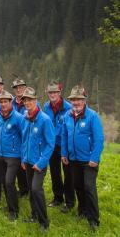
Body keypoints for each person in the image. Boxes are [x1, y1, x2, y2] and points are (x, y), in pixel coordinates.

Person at [61, 85, 104, 231]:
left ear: (84, 100)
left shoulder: (92, 116)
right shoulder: (67, 115)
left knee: (89, 188)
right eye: (73, 99)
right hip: (73, 159)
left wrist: (95, 157)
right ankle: (82, 211)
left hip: (89, 161)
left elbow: (99, 139)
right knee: (78, 186)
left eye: (79, 99)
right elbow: (64, 136)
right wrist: (64, 153)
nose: (76, 102)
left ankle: (93, 220)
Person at [21, 87, 55, 231]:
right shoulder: (25, 117)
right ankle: (34, 215)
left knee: (36, 189)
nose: (27, 102)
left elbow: (50, 143)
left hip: (39, 163)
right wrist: (23, 159)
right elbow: (24, 140)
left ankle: (44, 222)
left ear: (36, 100)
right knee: (31, 189)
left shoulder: (45, 119)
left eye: (30, 100)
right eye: (25, 100)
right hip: (28, 161)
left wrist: (41, 162)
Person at [43, 80, 74, 212]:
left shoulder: (68, 108)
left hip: (64, 145)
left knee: (68, 174)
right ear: (47, 93)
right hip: (51, 145)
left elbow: (70, 128)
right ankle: (58, 198)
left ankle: (69, 202)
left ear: (60, 92)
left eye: (55, 92)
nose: (53, 94)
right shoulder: (46, 107)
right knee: (55, 172)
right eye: (50, 92)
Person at [0, 90, 24, 221]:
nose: (3, 104)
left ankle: (14, 211)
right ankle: (9, 205)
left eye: (5, 102)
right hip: (1, 154)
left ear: (10, 102)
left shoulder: (18, 118)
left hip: (14, 155)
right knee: (3, 181)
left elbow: (24, 137)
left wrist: (23, 156)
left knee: (9, 182)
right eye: (0, 102)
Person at [11, 76, 30, 197]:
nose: (19, 90)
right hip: (13, 137)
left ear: (25, 88)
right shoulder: (10, 102)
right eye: (16, 88)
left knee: (26, 165)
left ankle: (28, 189)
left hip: (26, 137)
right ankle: (23, 189)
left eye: (21, 87)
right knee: (17, 165)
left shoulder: (30, 102)